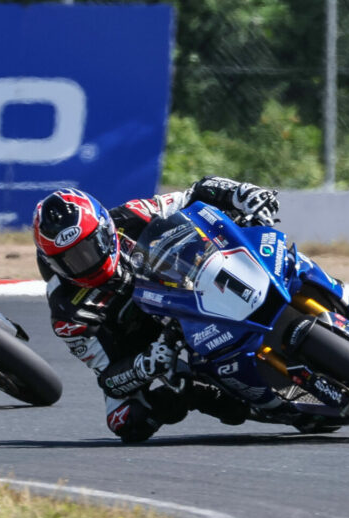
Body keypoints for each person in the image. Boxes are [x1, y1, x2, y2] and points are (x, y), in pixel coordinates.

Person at [32, 176, 284, 443]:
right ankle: (220, 398)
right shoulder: (68, 313)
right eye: (72, 259)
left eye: (90, 247)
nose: (87, 262)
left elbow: (194, 193)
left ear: (105, 230)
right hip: (156, 343)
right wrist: (146, 365)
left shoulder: (131, 215)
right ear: (53, 263)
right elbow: (108, 380)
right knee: (126, 422)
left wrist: (240, 194)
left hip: (195, 284)